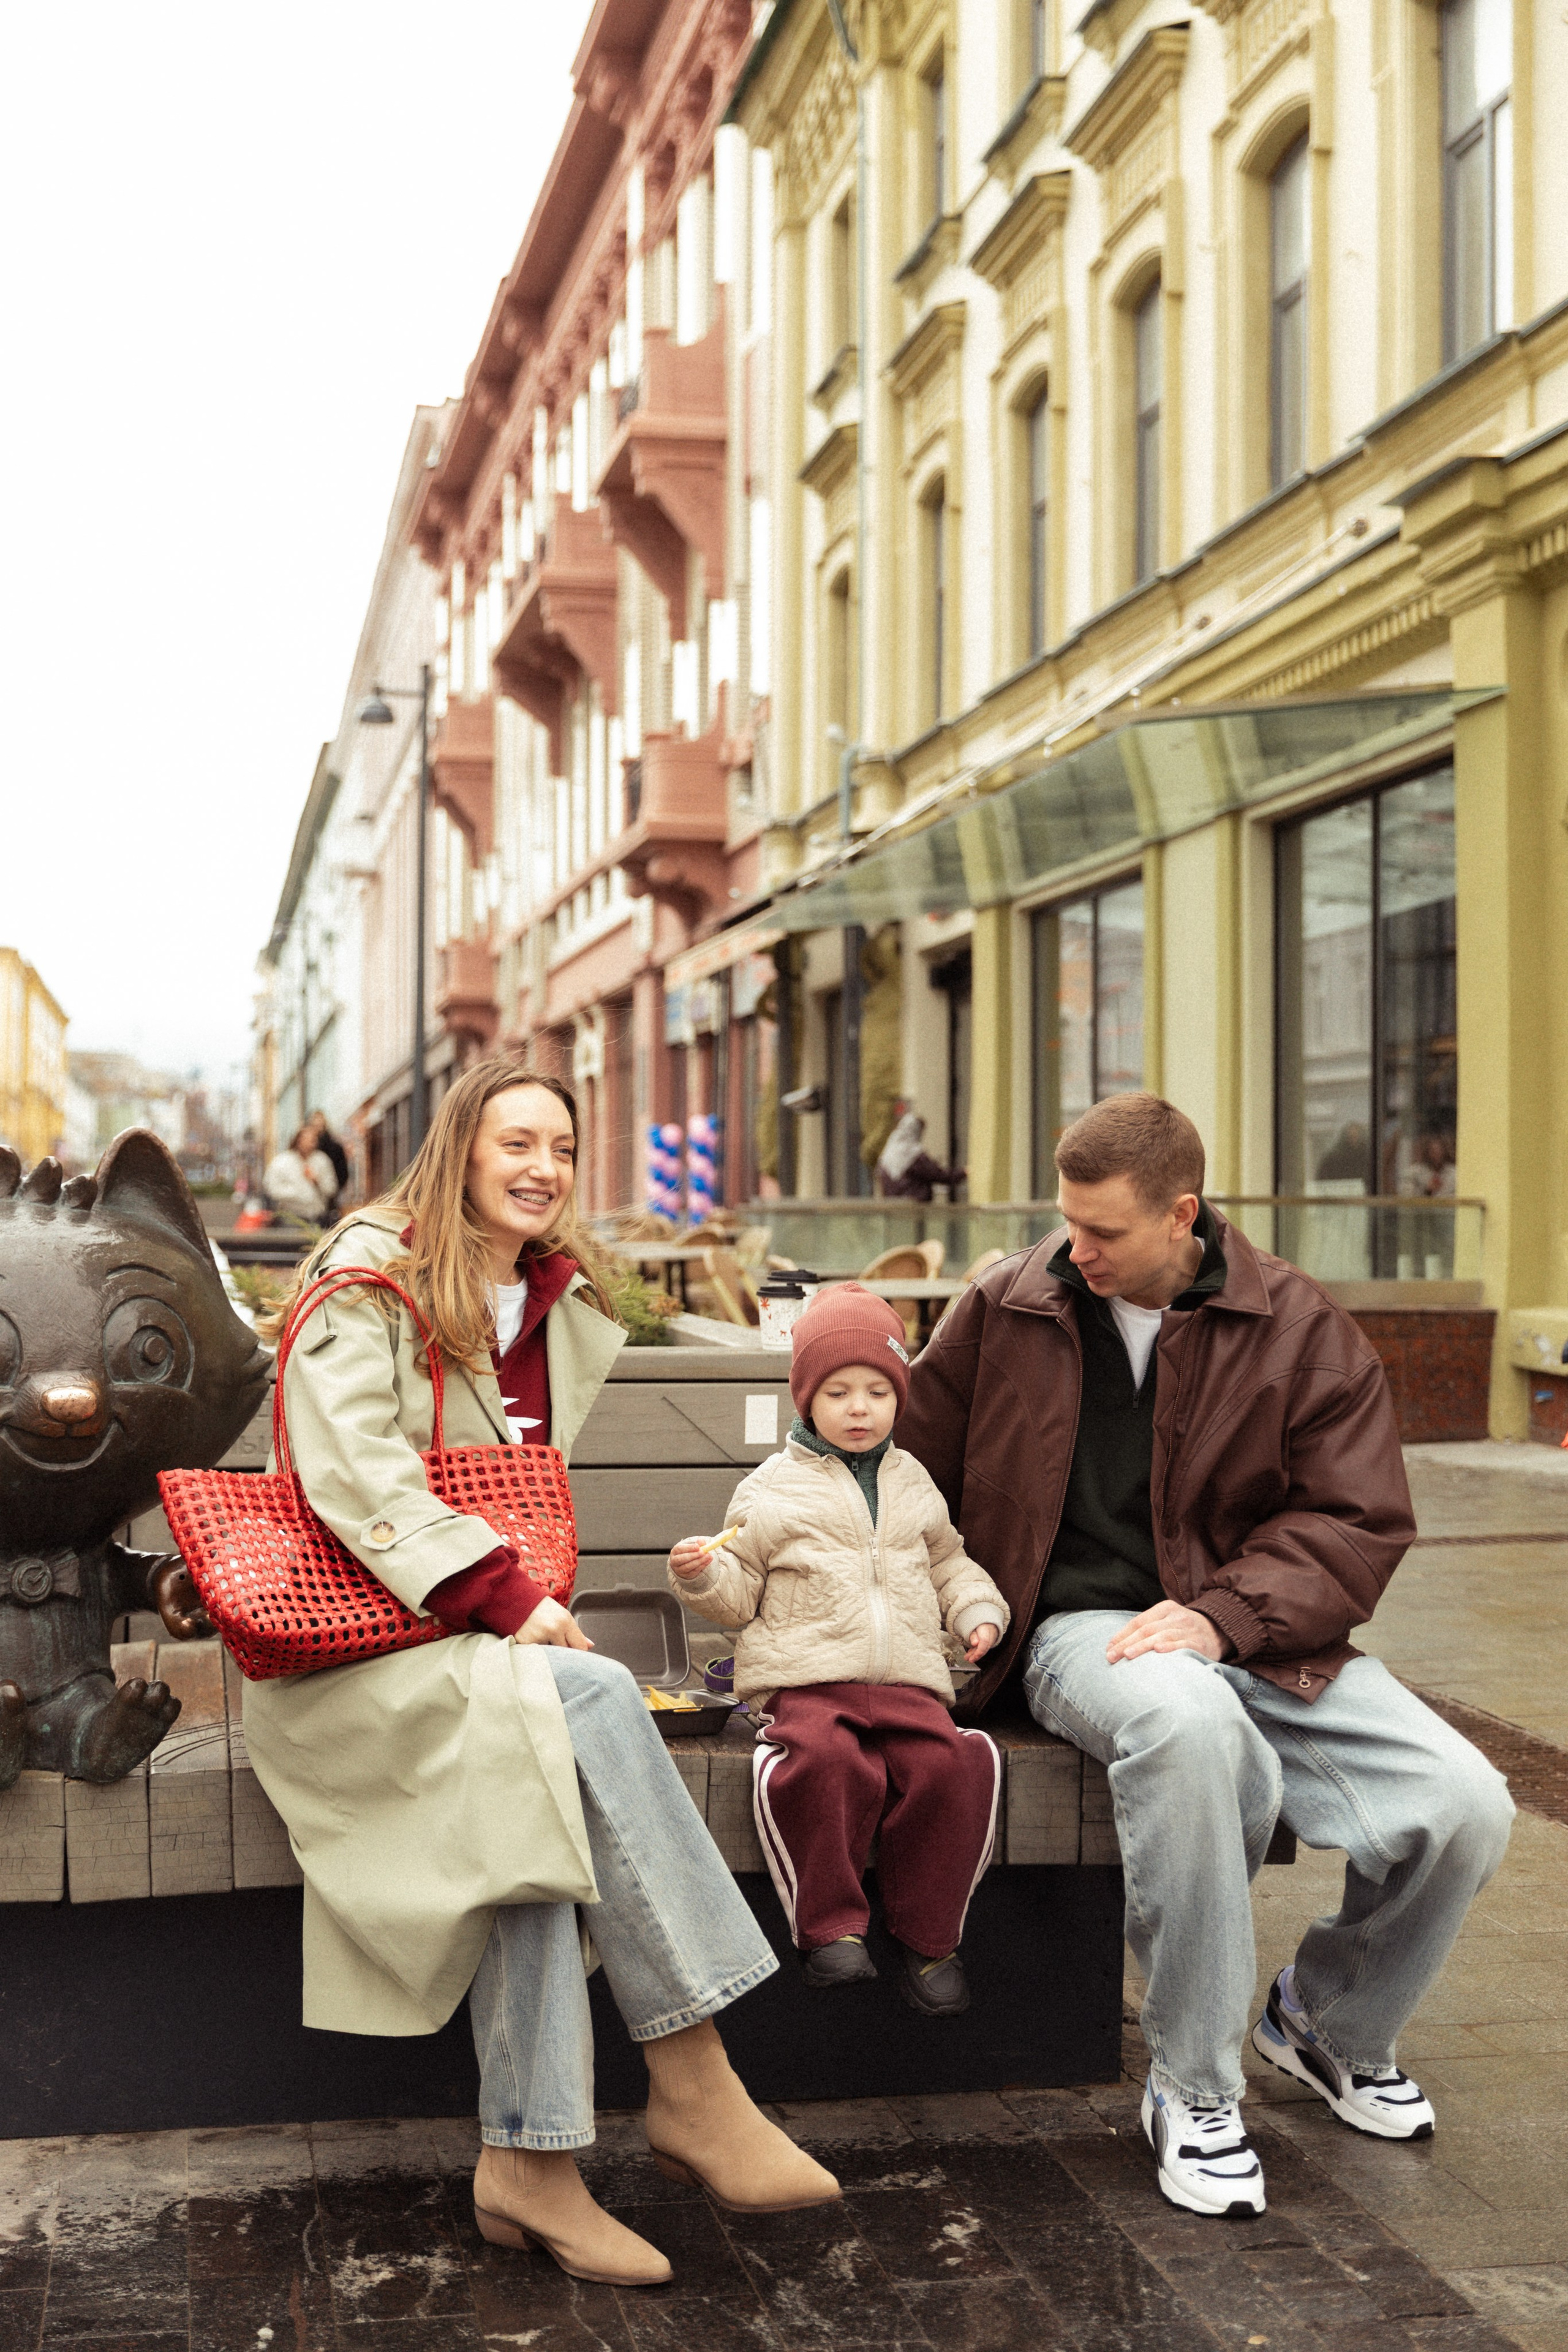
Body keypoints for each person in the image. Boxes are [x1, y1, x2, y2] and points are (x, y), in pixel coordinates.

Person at [245, 1057, 837, 2289]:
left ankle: (530, 2167)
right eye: (515, 1142)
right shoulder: (368, 1283)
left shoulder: (544, 1298)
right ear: (459, 1147)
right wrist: (508, 1600)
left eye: (561, 1149)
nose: (541, 1169)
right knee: (585, 1696)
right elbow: (357, 1476)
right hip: (351, 1665)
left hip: (461, 1661)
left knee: (530, 1770)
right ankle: (695, 2077)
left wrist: (505, 1619)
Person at [898, 1091, 1512, 2220]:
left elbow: (1355, 1518)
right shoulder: (1008, 1302)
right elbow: (907, 1470)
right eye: (1066, 1223)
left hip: (1268, 1641)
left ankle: (1328, 2020)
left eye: (1105, 1233)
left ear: (1184, 1214)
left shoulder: (1300, 1326)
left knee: (1469, 1801)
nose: (1073, 1253)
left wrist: (1226, 1615)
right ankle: (1193, 2084)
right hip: (1080, 1629)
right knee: (1187, 1722)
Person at [668, 1283, 1008, 2018]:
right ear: (805, 1400)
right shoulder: (769, 1491)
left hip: (908, 1681)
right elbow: (738, 1597)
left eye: (879, 1391)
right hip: (807, 1679)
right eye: (839, 1391)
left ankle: (931, 1937)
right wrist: (703, 1576)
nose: (860, 1409)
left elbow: (949, 1562)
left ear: (899, 1397)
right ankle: (832, 1930)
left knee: (947, 1766)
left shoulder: (914, 1481)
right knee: (827, 1766)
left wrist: (976, 1609)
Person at [876, 1106, 965, 1201]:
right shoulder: (914, 1156)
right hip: (915, 1209)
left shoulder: (886, 1156)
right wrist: (964, 1173)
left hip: (893, 1210)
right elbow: (938, 1175)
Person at [262, 1120, 337, 1225]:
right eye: (306, 1139)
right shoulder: (282, 1161)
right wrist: (297, 1193)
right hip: (290, 1217)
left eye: (313, 1140)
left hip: (316, 1217)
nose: (310, 1143)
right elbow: (272, 1188)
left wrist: (317, 1181)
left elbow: (331, 1189)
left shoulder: (322, 1160)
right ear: (298, 1140)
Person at [306, 1108, 350, 1203]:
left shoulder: (335, 1147)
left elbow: (343, 1174)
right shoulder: (304, 1149)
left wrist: (332, 1191)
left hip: (328, 1196)